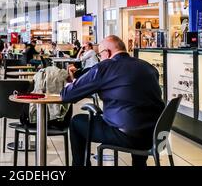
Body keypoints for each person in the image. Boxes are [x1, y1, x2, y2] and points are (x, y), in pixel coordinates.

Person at [60, 35, 165, 167]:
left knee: (77, 122)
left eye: (100, 55)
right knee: (136, 117)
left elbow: (67, 95)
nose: (99, 58)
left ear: (107, 52)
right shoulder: (148, 67)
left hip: (126, 134)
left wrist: (69, 82)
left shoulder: (104, 67)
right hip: (154, 135)